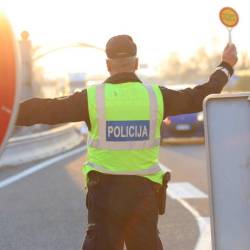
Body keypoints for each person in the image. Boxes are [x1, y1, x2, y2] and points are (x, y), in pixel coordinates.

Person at [16, 35, 238, 250]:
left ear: (107, 64)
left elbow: (45, 110)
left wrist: (8, 111)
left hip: (103, 196)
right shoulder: (157, 97)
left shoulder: (92, 98)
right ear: (136, 63)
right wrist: (226, 66)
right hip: (143, 197)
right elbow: (201, 94)